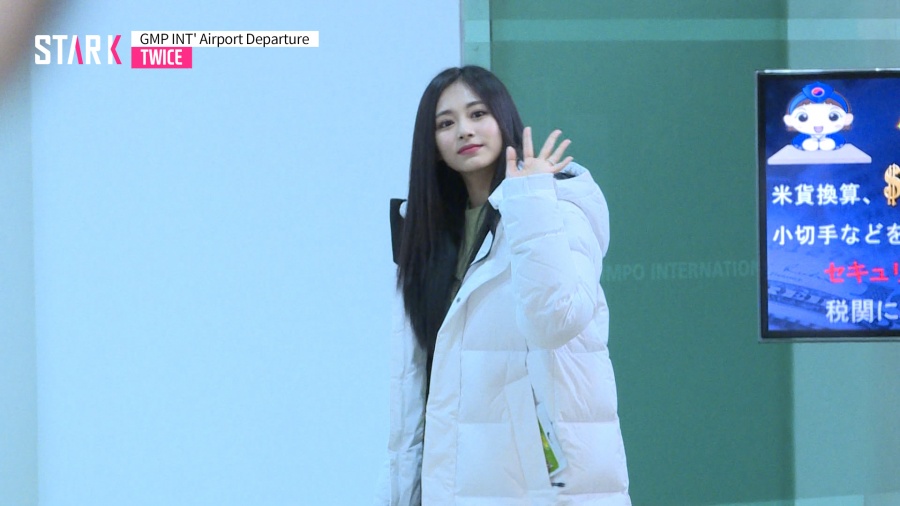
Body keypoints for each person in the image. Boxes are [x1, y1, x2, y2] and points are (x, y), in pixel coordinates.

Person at [379, 65, 630, 505]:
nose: (464, 130)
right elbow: (416, 385)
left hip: (539, 485)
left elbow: (556, 319)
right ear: (432, 146)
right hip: (455, 479)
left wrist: (531, 199)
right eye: (446, 123)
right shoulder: (427, 237)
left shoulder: (557, 206)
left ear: (503, 119)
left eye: (478, 114)